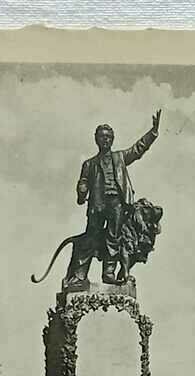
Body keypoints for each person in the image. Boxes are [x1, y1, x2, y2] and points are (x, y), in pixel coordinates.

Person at [62, 109, 161, 288]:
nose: (105, 140)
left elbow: (138, 149)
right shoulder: (89, 164)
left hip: (116, 202)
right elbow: (83, 181)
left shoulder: (120, 157)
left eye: (108, 137)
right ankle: (79, 276)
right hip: (97, 204)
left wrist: (153, 132)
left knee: (114, 237)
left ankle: (109, 273)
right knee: (91, 237)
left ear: (112, 139)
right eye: (102, 137)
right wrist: (82, 189)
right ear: (96, 139)